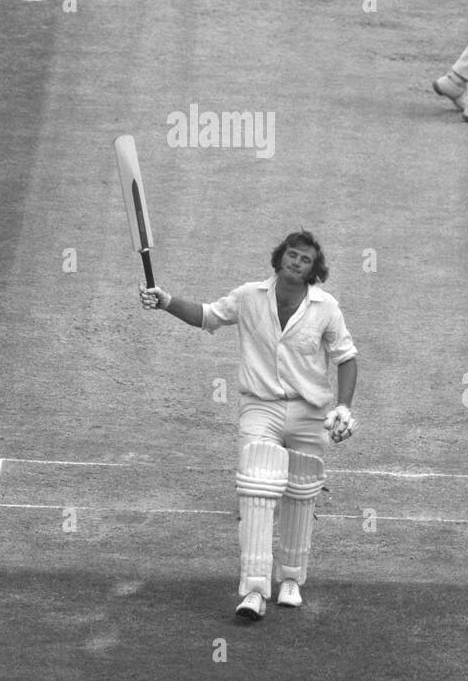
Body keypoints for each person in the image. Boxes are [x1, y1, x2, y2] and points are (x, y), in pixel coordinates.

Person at [140, 230, 359, 620]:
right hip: (261, 406)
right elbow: (208, 315)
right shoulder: (248, 297)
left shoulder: (327, 307)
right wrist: (166, 301)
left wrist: (343, 406)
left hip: (310, 412)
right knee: (257, 487)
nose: (296, 262)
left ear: (314, 269)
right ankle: (255, 590)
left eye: (305, 259)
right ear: (279, 258)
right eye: (291, 255)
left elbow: (346, 357)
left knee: (300, 492)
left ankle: (290, 580)